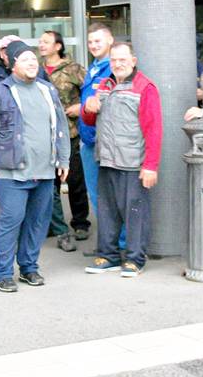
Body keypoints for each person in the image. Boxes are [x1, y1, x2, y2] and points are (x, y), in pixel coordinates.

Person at [0, 40, 70, 294]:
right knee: (11, 221)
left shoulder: (47, 90)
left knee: (37, 222)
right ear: (12, 63)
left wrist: (64, 159)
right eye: (25, 59)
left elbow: (60, 127)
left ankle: (29, 267)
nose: (31, 63)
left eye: (33, 58)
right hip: (11, 171)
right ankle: (3, 273)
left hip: (45, 171)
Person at [82, 42, 162, 277]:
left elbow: (154, 129)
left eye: (122, 59)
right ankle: (108, 256)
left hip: (132, 163)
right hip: (106, 160)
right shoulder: (105, 84)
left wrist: (150, 166)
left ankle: (136, 259)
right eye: (114, 60)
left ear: (133, 60)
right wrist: (88, 108)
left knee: (135, 213)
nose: (118, 64)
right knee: (107, 213)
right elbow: (89, 120)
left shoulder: (145, 87)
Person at [38, 29, 91, 252]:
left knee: (76, 181)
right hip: (45, 136)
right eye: (40, 42)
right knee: (51, 185)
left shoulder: (73, 69)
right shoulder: (36, 70)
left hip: (71, 134)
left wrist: (81, 108)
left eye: (46, 42)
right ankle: (54, 225)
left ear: (58, 46)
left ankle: (80, 223)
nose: (41, 45)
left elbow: (89, 92)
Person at [78, 23, 114, 213]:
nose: (93, 45)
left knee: (110, 196)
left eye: (98, 40)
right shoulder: (93, 69)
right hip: (89, 141)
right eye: (90, 41)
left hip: (105, 143)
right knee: (96, 195)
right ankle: (108, 240)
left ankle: (120, 242)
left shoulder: (114, 68)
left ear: (110, 40)